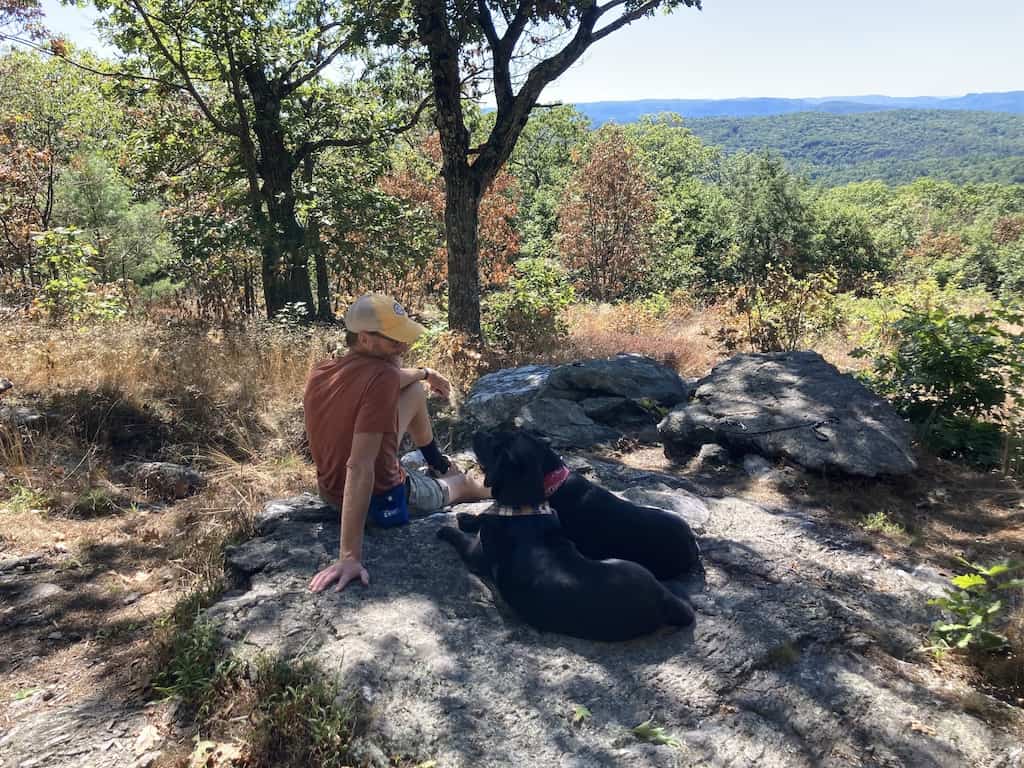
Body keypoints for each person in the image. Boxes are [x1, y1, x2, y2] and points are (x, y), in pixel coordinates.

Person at [304, 293, 490, 593]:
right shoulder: (382, 377)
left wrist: (426, 374)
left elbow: (398, 378)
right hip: (382, 501)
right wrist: (349, 556)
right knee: (462, 483)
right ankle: (511, 492)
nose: (404, 346)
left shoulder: (323, 370)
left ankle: (436, 461)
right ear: (365, 339)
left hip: (330, 493)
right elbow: (360, 466)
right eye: (394, 342)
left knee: (415, 390)